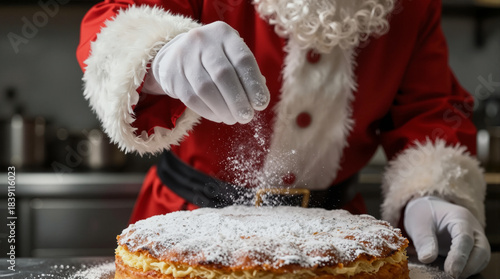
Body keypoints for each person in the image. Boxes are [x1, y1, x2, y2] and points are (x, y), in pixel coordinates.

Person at [77, 0, 490, 278]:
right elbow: (113, 19)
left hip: (337, 242)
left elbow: (430, 109)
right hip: (185, 222)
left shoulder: (414, 6)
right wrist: (158, 55)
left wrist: (434, 193)